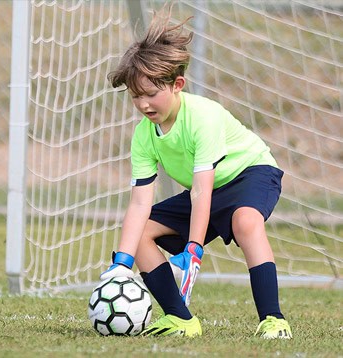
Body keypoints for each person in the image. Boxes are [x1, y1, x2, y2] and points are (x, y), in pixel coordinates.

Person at [100, 4, 292, 339]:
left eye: (151, 94)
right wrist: (122, 264)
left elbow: (202, 188)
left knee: (245, 220)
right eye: (135, 96)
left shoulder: (203, 116)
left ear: (177, 84)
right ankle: (181, 319)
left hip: (251, 173)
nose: (143, 105)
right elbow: (138, 203)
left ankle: (274, 320)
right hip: (207, 190)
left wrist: (193, 247)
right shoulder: (144, 136)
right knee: (141, 231)